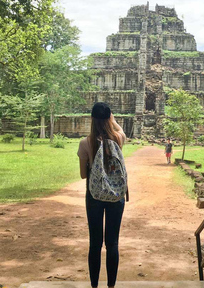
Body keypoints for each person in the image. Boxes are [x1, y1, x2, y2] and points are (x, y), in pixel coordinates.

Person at [78, 102, 127, 288]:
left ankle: (94, 285)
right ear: (109, 119)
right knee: (112, 243)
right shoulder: (118, 139)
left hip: (94, 197)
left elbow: (83, 174)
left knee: (95, 244)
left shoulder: (85, 143)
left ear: (92, 119)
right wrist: (113, 123)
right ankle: (111, 286)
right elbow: (122, 132)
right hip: (116, 196)